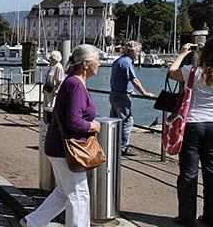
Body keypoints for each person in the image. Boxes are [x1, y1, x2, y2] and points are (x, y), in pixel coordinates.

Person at [20, 44, 102, 227]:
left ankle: (32, 222)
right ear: (86, 64)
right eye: (98, 60)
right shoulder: (76, 85)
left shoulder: (72, 82)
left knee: (64, 192)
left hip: (57, 145)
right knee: (79, 195)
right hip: (67, 148)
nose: (100, 64)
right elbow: (74, 121)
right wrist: (93, 125)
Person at [168, 38, 213, 227]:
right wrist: (211, 52)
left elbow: (171, 73)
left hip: (193, 124)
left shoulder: (193, 72)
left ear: (206, 53)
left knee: (189, 172)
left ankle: (187, 217)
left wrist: (182, 53)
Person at [109, 41, 155, 156]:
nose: (139, 53)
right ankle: (123, 148)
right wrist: (144, 93)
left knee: (114, 120)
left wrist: (131, 90)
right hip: (121, 96)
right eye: (138, 51)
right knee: (127, 121)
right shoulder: (127, 62)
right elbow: (134, 80)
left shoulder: (118, 61)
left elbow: (120, 80)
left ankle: (112, 144)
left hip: (114, 94)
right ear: (130, 51)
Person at [43, 50, 65, 122]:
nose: (50, 59)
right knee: (47, 104)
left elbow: (61, 80)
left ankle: (51, 120)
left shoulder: (59, 67)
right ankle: (47, 119)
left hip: (52, 89)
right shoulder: (52, 66)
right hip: (48, 89)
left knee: (51, 105)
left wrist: (58, 89)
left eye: (51, 57)